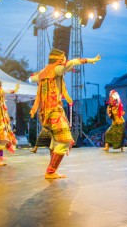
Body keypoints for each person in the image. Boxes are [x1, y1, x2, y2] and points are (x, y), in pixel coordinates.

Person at [29, 48, 101, 179]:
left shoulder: (45, 71)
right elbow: (72, 62)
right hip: (54, 112)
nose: (64, 60)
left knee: (56, 140)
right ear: (58, 59)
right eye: (63, 57)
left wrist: (34, 76)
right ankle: (50, 171)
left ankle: (51, 171)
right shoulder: (56, 69)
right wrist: (90, 60)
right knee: (65, 139)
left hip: (46, 112)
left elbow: (32, 79)